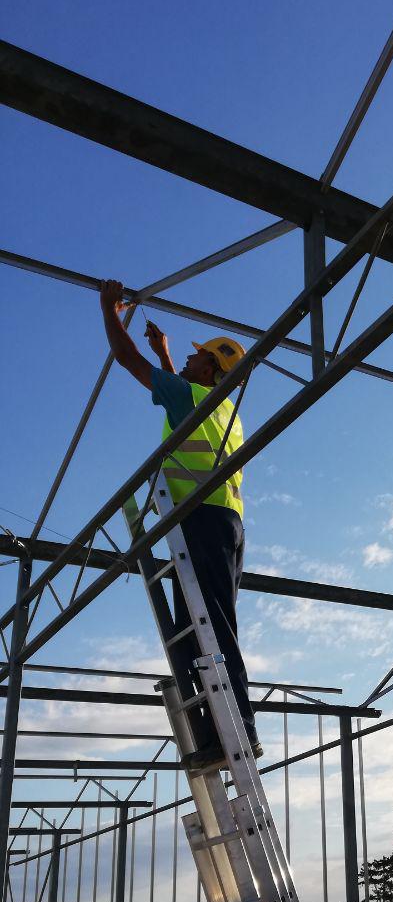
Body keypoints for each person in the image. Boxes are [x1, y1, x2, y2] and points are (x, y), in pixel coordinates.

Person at [99, 279, 261, 769]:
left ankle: (241, 732)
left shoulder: (192, 395)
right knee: (199, 630)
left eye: (196, 356)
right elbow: (179, 393)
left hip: (203, 520)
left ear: (209, 369)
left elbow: (126, 359)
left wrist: (108, 310)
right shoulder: (221, 406)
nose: (189, 359)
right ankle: (217, 737)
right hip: (222, 521)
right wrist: (166, 353)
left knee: (211, 627)